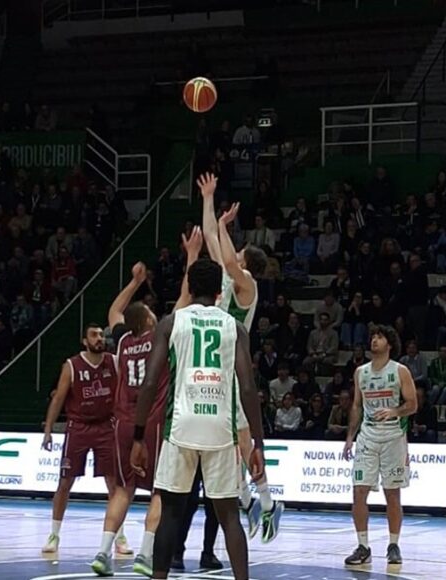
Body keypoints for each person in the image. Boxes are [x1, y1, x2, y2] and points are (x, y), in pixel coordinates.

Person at [130, 258, 266, 580]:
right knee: (229, 516)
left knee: (170, 513)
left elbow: (150, 383)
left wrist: (138, 436)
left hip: (181, 426)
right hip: (221, 428)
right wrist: (258, 444)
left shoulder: (171, 322)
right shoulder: (235, 327)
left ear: (189, 288)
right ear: (220, 292)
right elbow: (248, 388)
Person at [109, 231, 204, 575]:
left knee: (122, 489)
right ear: (149, 320)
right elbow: (187, 296)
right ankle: (145, 555)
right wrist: (191, 255)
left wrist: (135, 282)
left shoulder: (122, 341)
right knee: (159, 492)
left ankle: (103, 552)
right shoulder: (162, 333)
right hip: (155, 420)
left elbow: (114, 311)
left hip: (123, 420)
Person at [197, 173, 283, 542]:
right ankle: (250, 500)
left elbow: (227, 257)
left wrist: (223, 226)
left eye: (239, 251)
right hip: (214, 370)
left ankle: (266, 502)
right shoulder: (229, 276)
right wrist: (208, 200)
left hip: (233, 369)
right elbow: (211, 241)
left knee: (242, 442)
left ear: (247, 259)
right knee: (227, 444)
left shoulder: (247, 283)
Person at [39, 322, 120, 577]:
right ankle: (54, 534)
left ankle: (119, 536)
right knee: (65, 482)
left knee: (114, 485)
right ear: (85, 341)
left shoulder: (114, 362)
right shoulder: (72, 365)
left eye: (101, 335)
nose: (99, 339)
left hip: (106, 426)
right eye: (93, 335)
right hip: (79, 427)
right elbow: (58, 399)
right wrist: (48, 430)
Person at [342, 324, 417, 567]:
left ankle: (393, 545)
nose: (375, 340)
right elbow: (356, 406)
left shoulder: (400, 371)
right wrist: (350, 437)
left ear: (390, 344)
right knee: (358, 491)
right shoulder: (360, 372)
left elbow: (413, 404)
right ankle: (363, 546)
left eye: (380, 337)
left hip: (394, 437)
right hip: (367, 437)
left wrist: (395, 411)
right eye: (373, 336)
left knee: (392, 493)